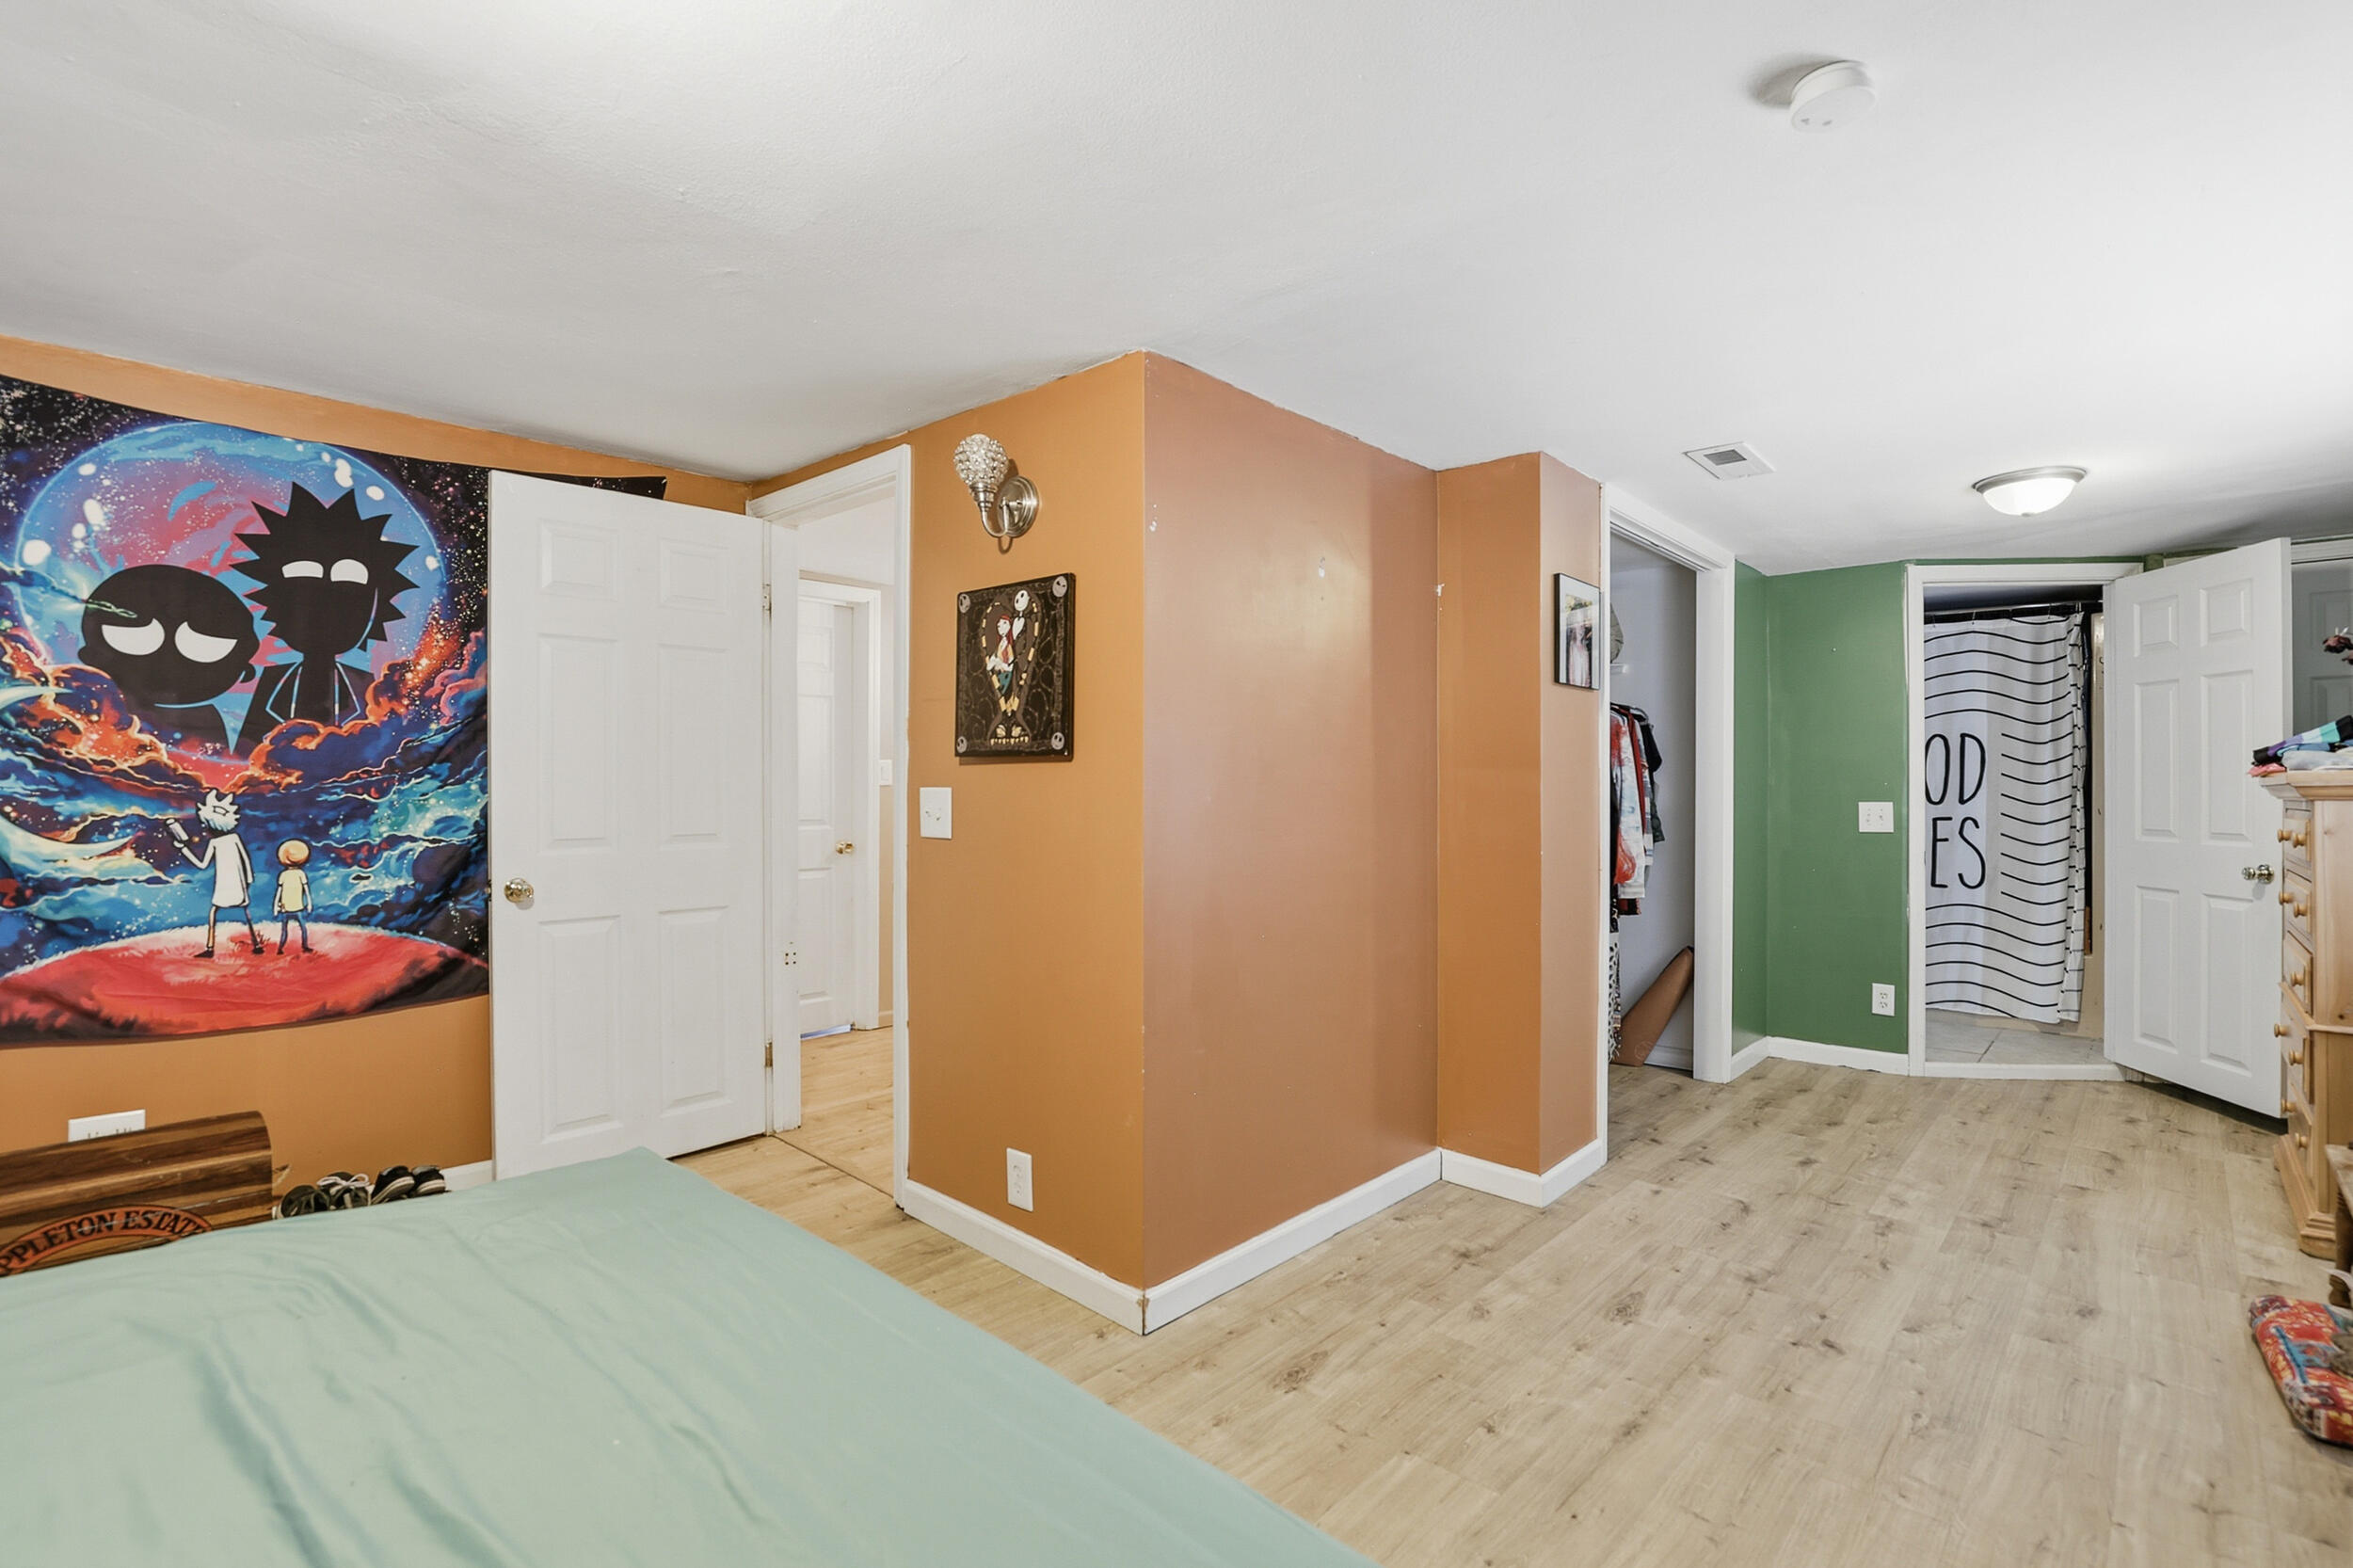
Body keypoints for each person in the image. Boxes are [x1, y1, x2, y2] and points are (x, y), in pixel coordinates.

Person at [171, 790, 261, 957]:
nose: (203, 828)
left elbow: (202, 864)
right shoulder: (232, 838)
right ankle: (256, 944)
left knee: (215, 912)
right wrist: (248, 877)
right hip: (233, 883)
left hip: (227, 883)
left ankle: (211, 948)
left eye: (205, 825)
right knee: (244, 911)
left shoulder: (220, 841)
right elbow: (245, 859)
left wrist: (184, 849)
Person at [273, 840, 313, 953]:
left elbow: (306, 890)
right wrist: (275, 906)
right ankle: (281, 948)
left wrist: (309, 903)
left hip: (292, 907)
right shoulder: (287, 874)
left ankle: (302, 946)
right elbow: (279, 891)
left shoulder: (296, 874)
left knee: (296, 929)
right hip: (289, 908)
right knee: (293, 929)